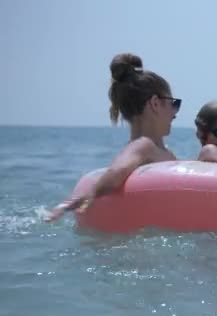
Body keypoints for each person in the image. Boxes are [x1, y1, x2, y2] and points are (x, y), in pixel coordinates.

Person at [45, 53, 181, 222]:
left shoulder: (160, 150)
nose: (175, 111)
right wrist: (87, 196)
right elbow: (118, 170)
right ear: (154, 103)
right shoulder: (143, 146)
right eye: (173, 103)